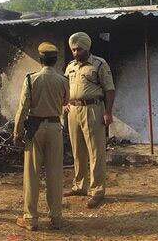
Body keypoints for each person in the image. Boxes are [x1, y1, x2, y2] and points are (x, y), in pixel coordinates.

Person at [13, 42, 69, 231]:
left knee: (32, 174)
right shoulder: (63, 80)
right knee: (55, 174)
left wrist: (17, 132)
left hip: (34, 128)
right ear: (55, 60)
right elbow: (65, 102)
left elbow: (22, 109)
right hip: (54, 127)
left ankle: (31, 219)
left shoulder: (31, 79)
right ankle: (56, 218)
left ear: (40, 59)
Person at [64, 32, 115, 209]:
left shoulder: (99, 64)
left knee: (95, 151)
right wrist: (65, 103)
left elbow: (109, 89)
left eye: (79, 49)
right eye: (73, 49)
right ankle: (79, 186)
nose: (75, 53)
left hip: (93, 109)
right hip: (73, 110)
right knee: (77, 150)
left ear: (87, 48)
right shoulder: (70, 66)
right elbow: (65, 87)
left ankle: (97, 191)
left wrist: (108, 112)